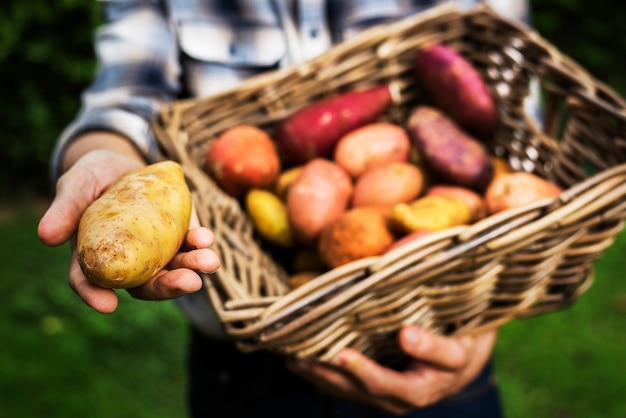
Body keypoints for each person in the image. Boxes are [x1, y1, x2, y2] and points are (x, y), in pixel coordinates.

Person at [38, 1, 531, 416]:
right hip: (248, 357)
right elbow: (126, 97)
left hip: (440, 339)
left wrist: (479, 318)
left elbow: (507, 97)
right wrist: (106, 158)